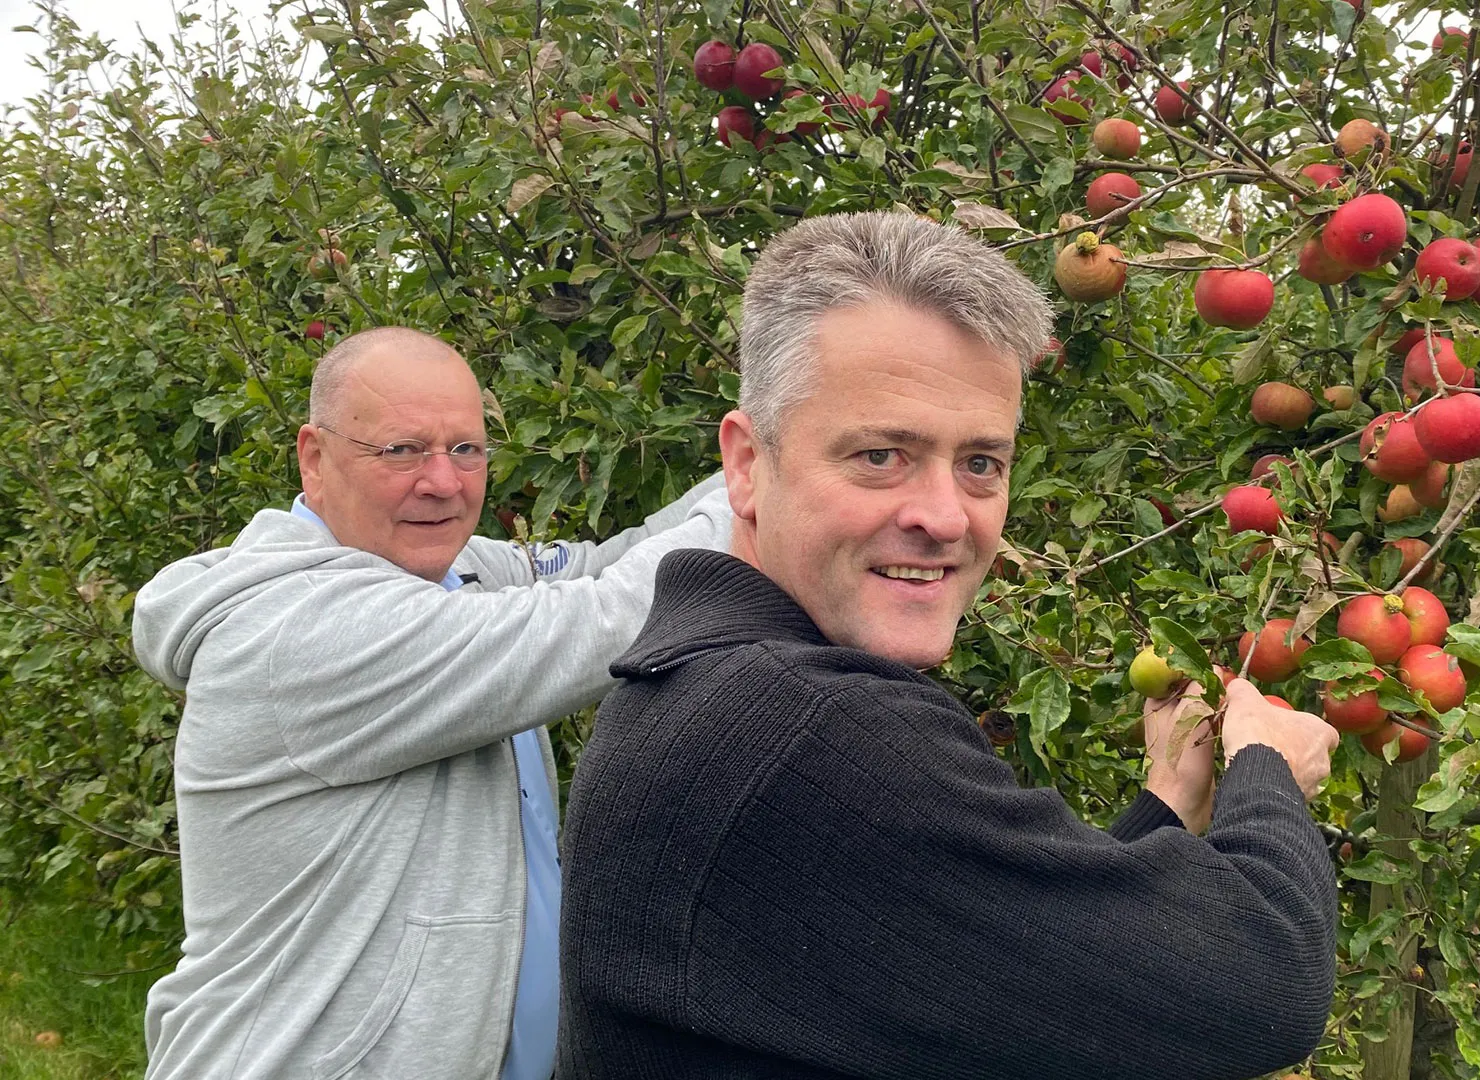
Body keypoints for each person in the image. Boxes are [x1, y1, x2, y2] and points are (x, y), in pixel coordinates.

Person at [556, 212, 1342, 1080]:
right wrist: (1269, 770)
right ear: (746, 465)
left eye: (980, 463)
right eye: (882, 454)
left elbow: (1019, 976)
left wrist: (1162, 803)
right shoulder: (811, 728)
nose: (943, 516)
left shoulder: (709, 685)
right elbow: (1264, 987)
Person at [131, 327, 732, 1080]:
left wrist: (764, 454)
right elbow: (604, 616)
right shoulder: (301, 632)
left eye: (467, 450)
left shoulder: (458, 573)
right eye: (402, 450)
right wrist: (799, 474)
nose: (444, 483)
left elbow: (607, 566)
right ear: (314, 461)